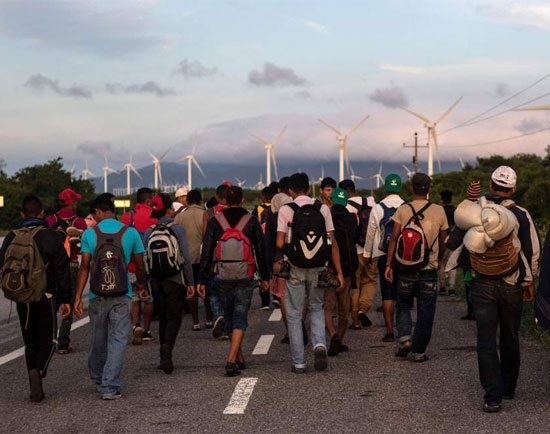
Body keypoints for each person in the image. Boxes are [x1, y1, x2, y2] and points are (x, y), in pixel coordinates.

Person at [469, 166, 540, 413]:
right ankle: (508, 387)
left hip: (482, 283)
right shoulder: (521, 213)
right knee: (510, 335)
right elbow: (532, 250)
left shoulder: (476, 210)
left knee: (486, 339)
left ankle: (492, 396)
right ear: (514, 188)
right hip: (512, 284)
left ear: (491, 184)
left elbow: (456, 243)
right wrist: (529, 282)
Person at [74, 193, 146, 400]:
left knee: (98, 340)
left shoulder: (89, 234)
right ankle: (109, 387)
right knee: (117, 340)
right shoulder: (130, 233)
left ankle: (98, 379)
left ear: (97, 211)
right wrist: (140, 284)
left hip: (97, 295)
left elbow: (85, 266)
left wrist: (78, 296)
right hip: (123, 294)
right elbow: (140, 264)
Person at [0, 195, 72, 403]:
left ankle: (32, 370)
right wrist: (66, 298)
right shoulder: (50, 236)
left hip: (21, 296)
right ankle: (39, 371)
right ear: (42, 213)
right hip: (45, 295)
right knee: (49, 339)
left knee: (29, 340)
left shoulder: (11, 237)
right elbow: (62, 269)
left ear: (22, 214)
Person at [276, 172, 344, 373]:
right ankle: (319, 345)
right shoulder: (322, 208)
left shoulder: (286, 210)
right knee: (316, 307)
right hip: (319, 266)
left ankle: (298, 362)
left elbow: (280, 242)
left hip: (295, 268)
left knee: (295, 314)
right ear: (308, 188)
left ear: (290, 191)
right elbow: (332, 243)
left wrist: (290, 255)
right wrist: (338, 272)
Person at [197, 186, 269, 376]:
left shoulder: (215, 221)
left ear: (224, 200)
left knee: (228, 315)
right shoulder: (251, 221)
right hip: (245, 275)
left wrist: (201, 279)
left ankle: (238, 357)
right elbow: (260, 251)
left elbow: (206, 251)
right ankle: (232, 359)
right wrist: (265, 277)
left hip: (221, 275)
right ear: (243, 200)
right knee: (240, 316)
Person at [384, 173, 448, 363]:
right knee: (426, 311)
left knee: (403, 304)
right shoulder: (439, 211)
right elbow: (444, 239)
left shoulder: (403, 210)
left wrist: (389, 264)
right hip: (429, 270)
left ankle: (405, 340)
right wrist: (439, 260)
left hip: (406, 268)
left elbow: (394, 238)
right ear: (430, 189)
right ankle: (419, 351)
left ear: (411, 188)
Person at [144, 194, 195, 374]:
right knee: (175, 317)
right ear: (168, 210)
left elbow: (145, 259)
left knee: (163, 317)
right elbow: (186, 258)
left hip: (156, 281)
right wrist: (191, 282)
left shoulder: (150, 230)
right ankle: (168, 347)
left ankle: (162, 355)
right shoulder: (178, 229)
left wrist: (144, 284)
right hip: (175, 279)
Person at [45, 188, 87, 355]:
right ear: (72, 202)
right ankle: (63, 342)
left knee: (52, 302)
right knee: (69, 300)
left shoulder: (50, 220)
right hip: (71, 265)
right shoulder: (79, 222)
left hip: (52, 266)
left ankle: (50, 340)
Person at [364, 174, 405, 341]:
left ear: (386, 188)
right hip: (404, 256)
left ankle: (389, 332)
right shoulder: (406, 207)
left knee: (387, 294)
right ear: (400, 187)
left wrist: (367, 255)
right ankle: (404, 331)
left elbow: (371, 232)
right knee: (402, 294)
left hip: (383, 254)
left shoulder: (378, 207)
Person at [325, 188, 359, 356]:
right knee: (344, 309)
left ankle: (332, 335)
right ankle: (340, 338)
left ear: (330, 200)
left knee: (328, 307)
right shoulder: (352, 218)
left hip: (330, 268)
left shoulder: (326, 216)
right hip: (347, 268)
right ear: (346, 201)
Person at [339, 179, 377, 330]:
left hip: (354, 251)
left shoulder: (345, 207)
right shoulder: (371, 202)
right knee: (370, 281)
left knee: (355, 283)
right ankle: (363, 309)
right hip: (372, 250)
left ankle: (355, 319)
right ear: (354, 190)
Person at [121, 187, 156, 344]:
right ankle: (147, 331)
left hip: (131, 264)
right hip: (150, 263)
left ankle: (136, 325)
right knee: (148, 297)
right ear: (148, 200)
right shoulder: (154, 216)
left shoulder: (127, 216)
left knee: (134, 296)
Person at [174, 189, 213, 331]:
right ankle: (209, 318)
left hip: (186, 259)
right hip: (203, 257)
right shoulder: (205, 214)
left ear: (188, 201)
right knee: (205, 288)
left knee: (191, 290)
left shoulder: (180, 217)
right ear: (200, 200)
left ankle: (195, 321)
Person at [252, 186, 276, 309]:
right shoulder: (277, 208)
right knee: (276, 271)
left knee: (263, 272)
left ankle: (265, 301)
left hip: (261, 242)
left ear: (263, 196)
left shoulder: (257, 209)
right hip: (275, 242)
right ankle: (277, 297)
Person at [438, 189, 457, 296]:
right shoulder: (456, 211)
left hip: (441, 240)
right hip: (453, 240)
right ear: (452, 198)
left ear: (442, 200)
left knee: (441, 262)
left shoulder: (439, 211)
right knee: (453, 264)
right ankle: (452, 288)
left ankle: (442, 287)